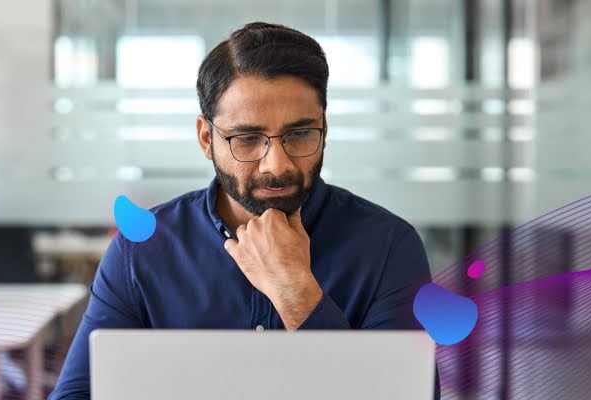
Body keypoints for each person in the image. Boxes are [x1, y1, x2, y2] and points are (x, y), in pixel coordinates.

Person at [49, 21, 435, 399]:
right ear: (206, 137)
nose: (276, 164)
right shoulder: (142, 252)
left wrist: (296, 292)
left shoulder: (388, 246)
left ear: (324, 129)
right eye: (248, 139)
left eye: (300, 134)